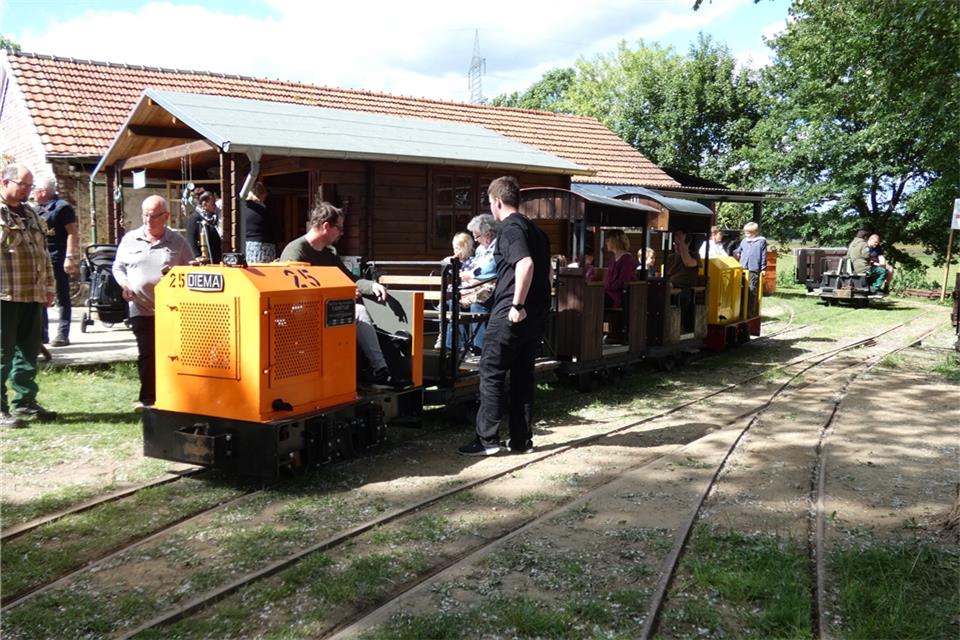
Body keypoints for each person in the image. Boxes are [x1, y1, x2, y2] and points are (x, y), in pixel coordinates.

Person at [458, 176, 550, 457]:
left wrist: (517, 304)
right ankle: (521, 440)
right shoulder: (536, 230)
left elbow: (525, 263)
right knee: (523, 375)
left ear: (496, 202)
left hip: (513, 312)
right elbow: (545, 273)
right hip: (536, 313)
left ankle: (487, 440)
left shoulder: (510, 229)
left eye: (489, 203)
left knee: (492, 372)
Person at [279, 201, 400, 388]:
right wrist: (340, 298)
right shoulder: (295, 252)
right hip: (301, 313)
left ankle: (379, 370)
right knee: (356, 311)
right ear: (326, 226)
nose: (342, 233)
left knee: (357, 311)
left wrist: (372, 286)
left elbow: (349, 278)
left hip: (326, 310)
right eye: (339, 228)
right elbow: (295, 294)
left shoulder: (329, 254)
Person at [113, 195, 194, 411]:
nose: (148, 220)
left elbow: (191, 270)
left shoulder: (178, 242)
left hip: (171, 310)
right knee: (147, 352)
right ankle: (148, 398)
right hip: (140, 306)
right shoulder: (130, 239)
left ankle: (172, 396)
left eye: (154, 216)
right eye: (145, 215)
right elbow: (118, 267)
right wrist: (124, 284)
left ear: (166, 216)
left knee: (171, 353)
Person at [0, 163, 57, 427]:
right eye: (22, 184)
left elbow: (43, 254)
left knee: (27, 352)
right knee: (2, 354)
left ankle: (24, 402)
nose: (27, 190)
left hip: (32, 295)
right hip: (5, 296)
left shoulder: (32, 214)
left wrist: (49, 286)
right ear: (5, 182)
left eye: (29, 186)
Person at [34, 176, 79, 349]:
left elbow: (72, 233)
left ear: (43, 192)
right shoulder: (36, 209)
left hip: (58, 257)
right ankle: (42, 334)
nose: (33, 193)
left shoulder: (62, 207)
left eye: (35, 190)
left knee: (61, 295)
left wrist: (70, 256)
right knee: (40, 295)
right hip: (41, 259)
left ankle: (62, 333)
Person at [243, 182, 281, 263]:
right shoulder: (264, 210)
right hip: (264, 246)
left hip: (247, 246)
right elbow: (275, 230)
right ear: (262, 195)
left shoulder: (243, 208)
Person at [735, 222, 767, 318]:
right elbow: (739, 250)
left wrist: (763, 268)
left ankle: (749, 312)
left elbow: (764, 255)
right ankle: (740, 310)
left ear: (755, 232)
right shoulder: (744, 241)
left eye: (748, 233)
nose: (746, 235)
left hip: (753, 269)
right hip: (743, 268)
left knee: (751, 290)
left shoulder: (761, 241)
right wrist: (736, 253)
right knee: (741, 289)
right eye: (745, 233)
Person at [603, 229, 638, 308]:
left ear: (613, 242)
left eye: (608, 240)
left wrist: (607, 286)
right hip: (609, 293)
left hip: (618, 297)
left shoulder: (626, 259)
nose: (606, 243)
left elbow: (623, 281)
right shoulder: (613, 258)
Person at [185, 191, 222, 263]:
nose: (215, 206)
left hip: (214, 257)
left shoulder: (212, 219)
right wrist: (196, 256)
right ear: (205, 204)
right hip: (203, 258)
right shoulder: (195, 218)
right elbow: (190, 239)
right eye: (213, 204)